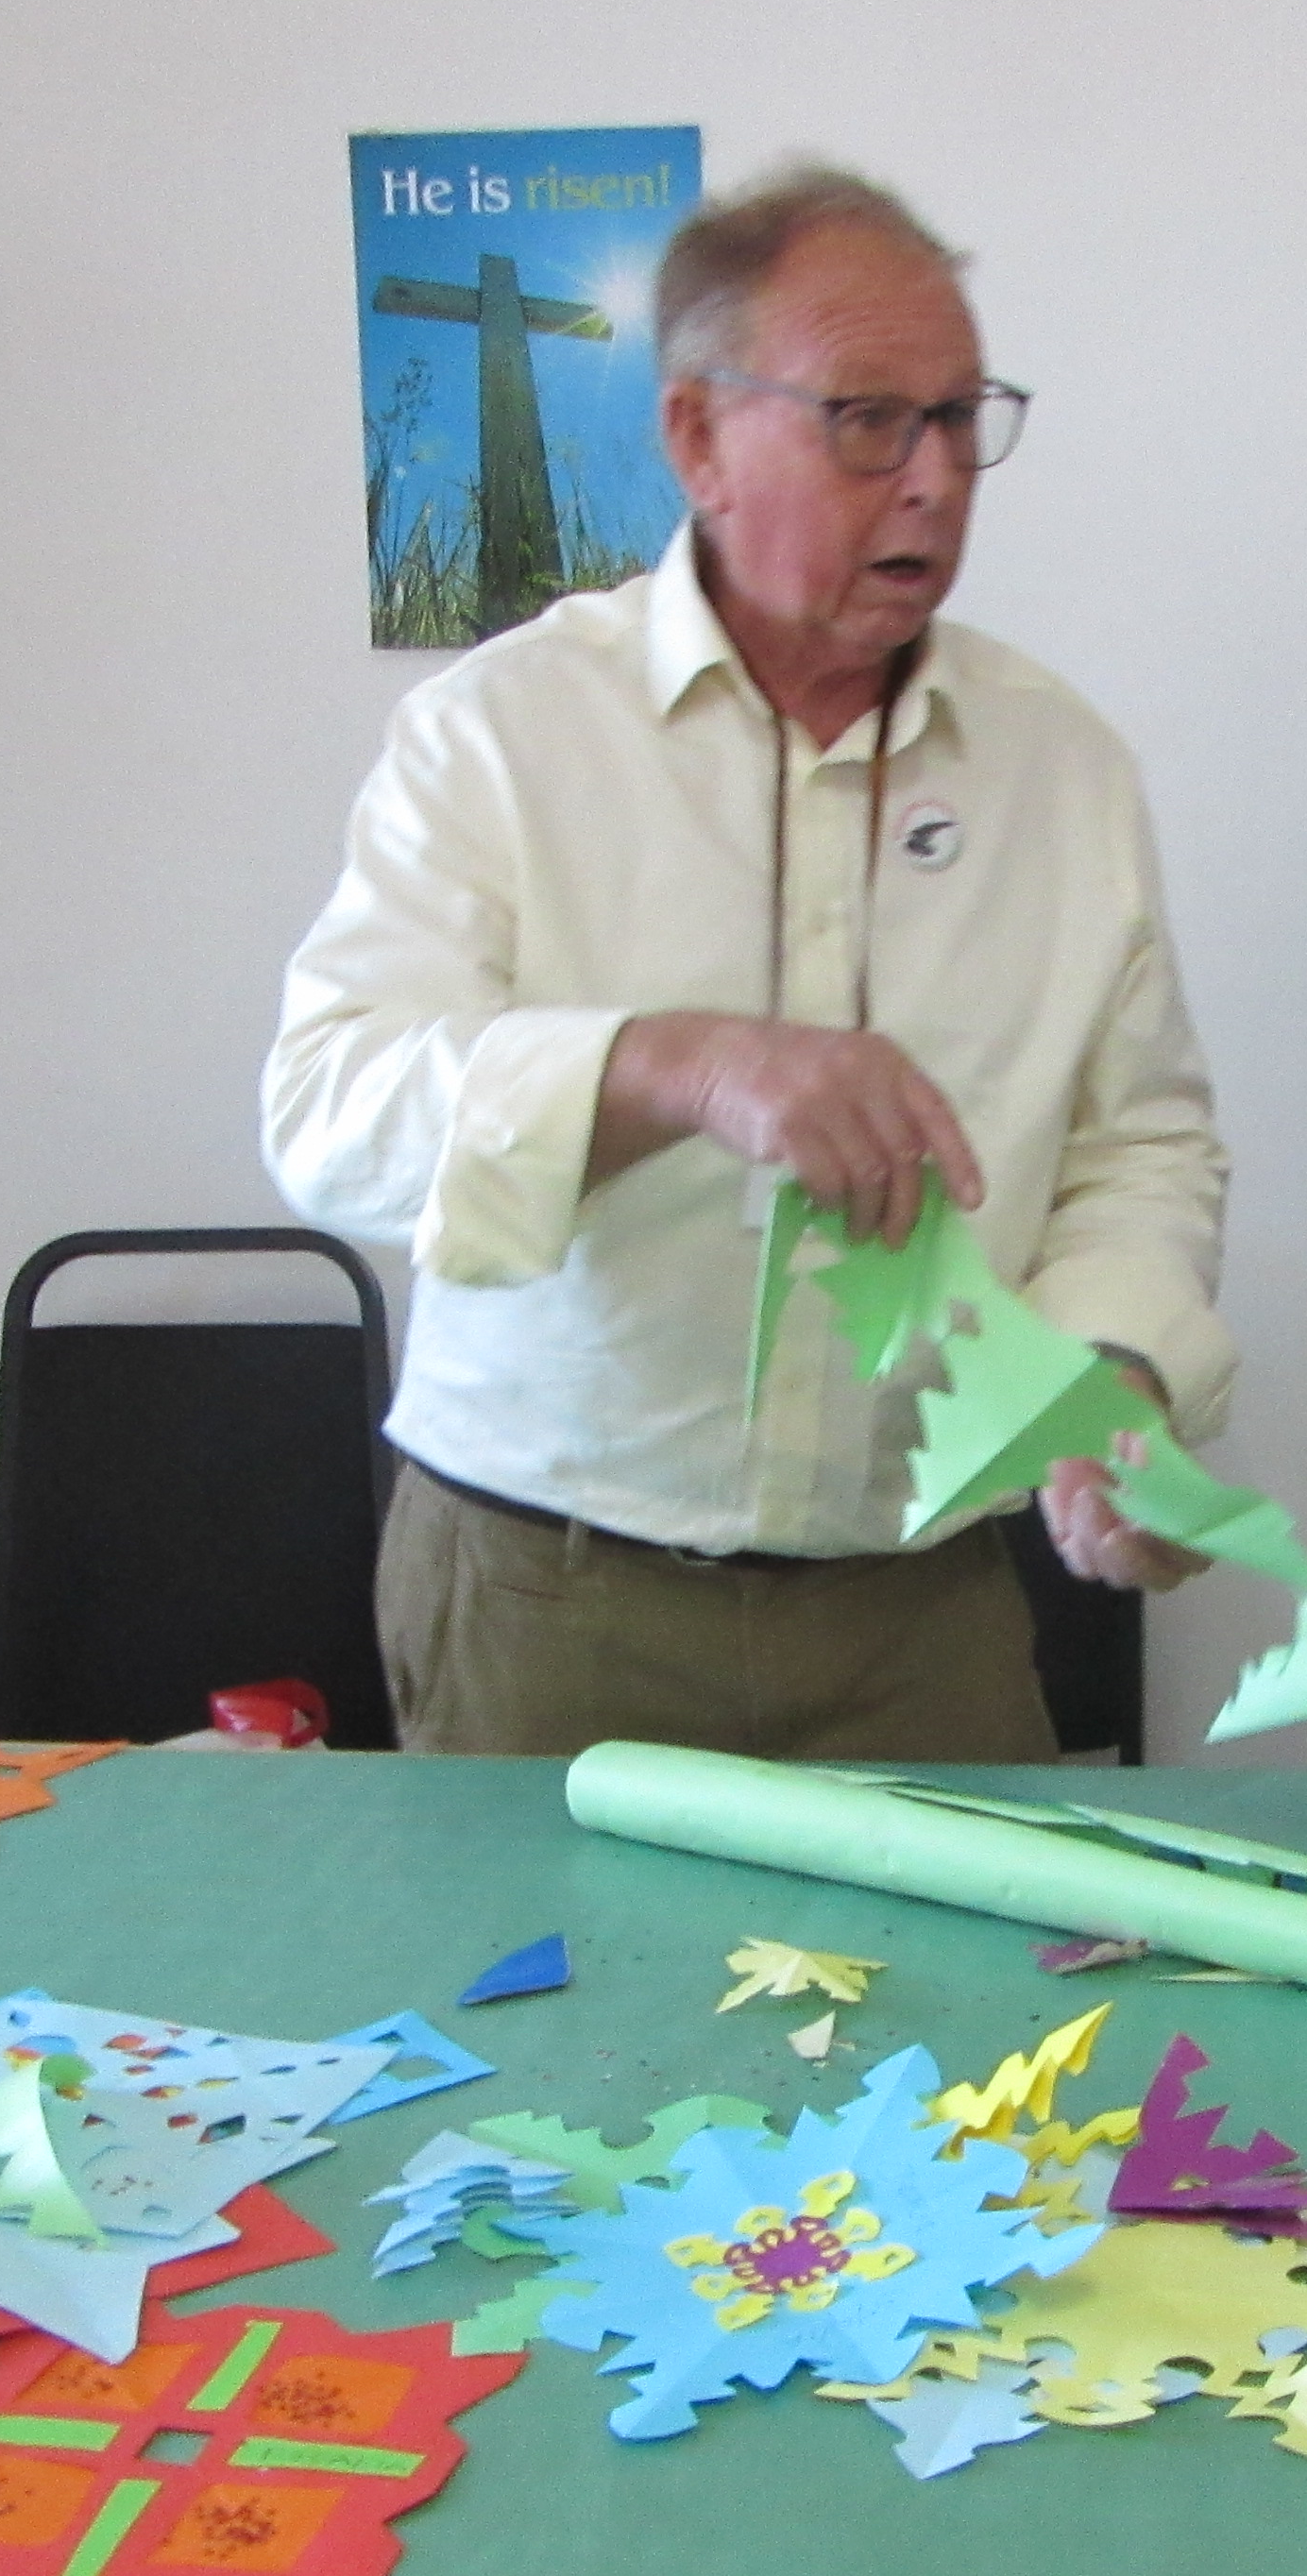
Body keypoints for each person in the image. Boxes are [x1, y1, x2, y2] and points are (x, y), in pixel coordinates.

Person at [263, 162, 1227, 1761]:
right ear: (698, 436)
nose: (933, 482)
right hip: (549, 1599)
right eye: (866, 419)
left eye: (959, 418)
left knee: (974, 2018)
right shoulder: (501, 737)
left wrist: (1113, 1368)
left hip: (923, 1602)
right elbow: (326, 1112)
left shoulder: (1063, 770)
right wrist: (677, 1065)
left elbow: (1142, 1144)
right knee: (541, 2022)